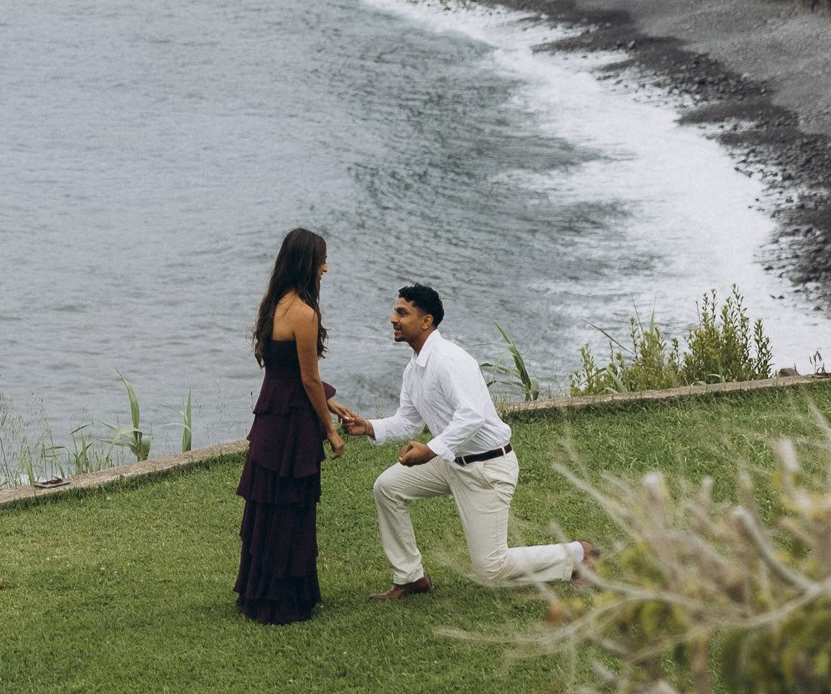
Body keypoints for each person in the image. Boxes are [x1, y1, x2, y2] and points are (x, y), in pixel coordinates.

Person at [332, 282, 595, 599]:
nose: (393, 318)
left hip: (487, 468)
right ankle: (410, 577)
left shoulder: (449, 360)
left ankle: (579, 554)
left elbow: (471, 416)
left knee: (492, 569)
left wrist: (430, 450)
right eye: (395, 311)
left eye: (402, 312)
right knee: (388, 487)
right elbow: (408, 420)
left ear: (426, 321)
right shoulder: (415, 368)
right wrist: (369, 427)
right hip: (451, 462)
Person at [236, 225, 343, 623]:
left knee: (268, 508)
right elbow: (309, 379)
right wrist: (330, 431)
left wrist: (333, 405)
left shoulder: (274, 304)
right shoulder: (304, 313)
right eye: (321, 261)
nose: (325, 269)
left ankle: (258, 591)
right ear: (307, 264)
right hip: (292, 425)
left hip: (271, 417)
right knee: (292, 511)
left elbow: (290, 374)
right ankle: (284, 600)